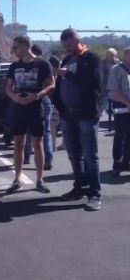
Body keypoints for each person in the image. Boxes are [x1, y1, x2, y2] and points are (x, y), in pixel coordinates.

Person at [53, 28, 102, 211]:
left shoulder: (90, 58)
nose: (66, 49)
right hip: (68, 114)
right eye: (64, 46)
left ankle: (95, 194)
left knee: (90, 156)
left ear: (77, 41)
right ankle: (79, 187)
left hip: (86, 115)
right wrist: (59, 105)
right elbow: (59, 84)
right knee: (74, 155)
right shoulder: (66, 59)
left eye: (69, 45)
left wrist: (68, 74)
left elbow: (93, 82)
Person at [5, 36, 55, 194]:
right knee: (18, 143)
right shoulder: (14, 66)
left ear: (25, 46)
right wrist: (15, 97)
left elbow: (52, 84)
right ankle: (17, 178)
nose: (13, 50)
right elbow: (8, 87)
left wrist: (37, 96)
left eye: (15, 47)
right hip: (18, 108)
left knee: (37, 143)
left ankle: (40, 179)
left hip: (36, 107)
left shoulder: (42, 63)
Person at [24, 45, 54, 170]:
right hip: (45, 100)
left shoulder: (36, 65)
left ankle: (27, 157)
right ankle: (48, 160)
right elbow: (52, 84)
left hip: (37, 99)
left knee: (29, 130)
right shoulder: (46, 65)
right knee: (45, 131)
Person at [107, 47, 130, 177]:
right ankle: (118, 163)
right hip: (122, 108)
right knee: (120, 136)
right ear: (126, 55)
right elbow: (114, 90)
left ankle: (127, 162)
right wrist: (128, 103)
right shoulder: (116, 70)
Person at [49, 56, 66, 152]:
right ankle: (64, 143)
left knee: (53, 125)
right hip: (63, 103)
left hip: (55, 102)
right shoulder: (62, 74)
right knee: (63, 124)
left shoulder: (52, 75)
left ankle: (53, 145)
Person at [101, 48, 120, 113]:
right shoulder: (102, 62)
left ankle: (113, 114)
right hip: (104, 84)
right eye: (109, 55)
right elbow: (100, 75)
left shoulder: (117, 61)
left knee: (116, 100)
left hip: (115, 84)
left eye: (113, 55)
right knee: (104, 101)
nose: (111, 57)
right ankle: (99, 115)